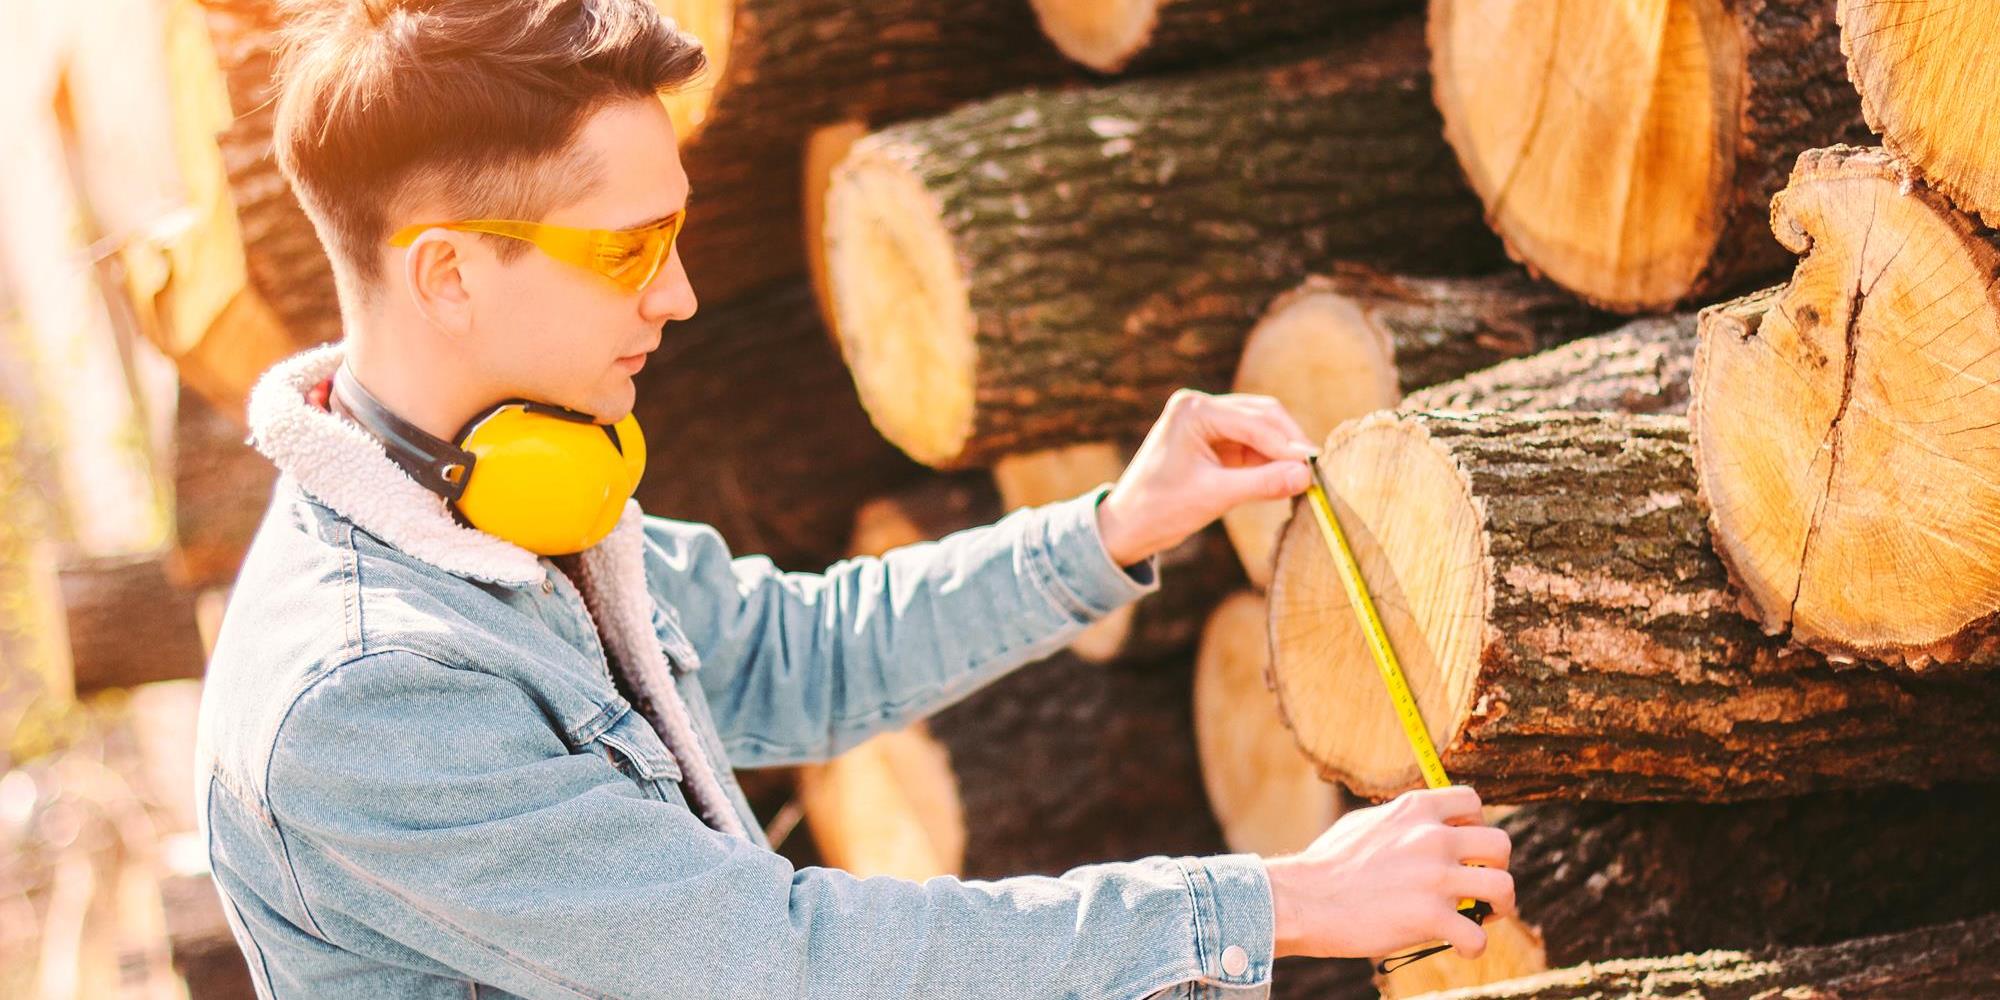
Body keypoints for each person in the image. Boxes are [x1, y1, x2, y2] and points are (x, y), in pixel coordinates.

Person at [191, 0, 1515, 996]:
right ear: (447, 277)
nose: (680, 295)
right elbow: (781, 965)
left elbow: (797, 654)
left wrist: (1112, 524)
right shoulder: (365, 699)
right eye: (630, 251)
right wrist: (1271, 903)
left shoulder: (509, 486)